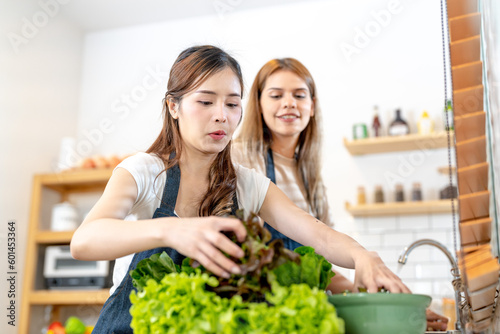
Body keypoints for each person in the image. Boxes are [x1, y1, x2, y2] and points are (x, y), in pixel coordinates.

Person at [70, 46, 409, 333]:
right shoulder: (144, 170)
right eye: (205, 102)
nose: (221, 116)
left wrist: (363, 256)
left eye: (232, 104)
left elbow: (316, 235)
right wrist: (173, 229)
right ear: (174, 106)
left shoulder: (247, 184)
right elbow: (84, 241)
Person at [232, 57, 448, 331]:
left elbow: (321, 261)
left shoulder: (311, 177)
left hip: (302, 312)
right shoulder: (239, 159)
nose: (289, 103)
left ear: (312, 107)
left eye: (299, 95)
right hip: (257, 310)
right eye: (276, 95)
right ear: (258, 105)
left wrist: (390, 305)